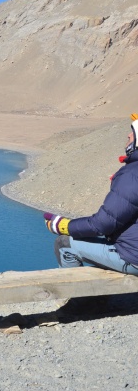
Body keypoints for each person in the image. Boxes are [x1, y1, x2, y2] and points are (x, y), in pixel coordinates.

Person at [43, 113, 138, 275]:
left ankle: (77, 299)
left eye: (133, 132)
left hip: (134, 258)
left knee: (64, 244)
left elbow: (104, 223)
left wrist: (64, 226)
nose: (129, 135)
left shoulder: (131, 175)